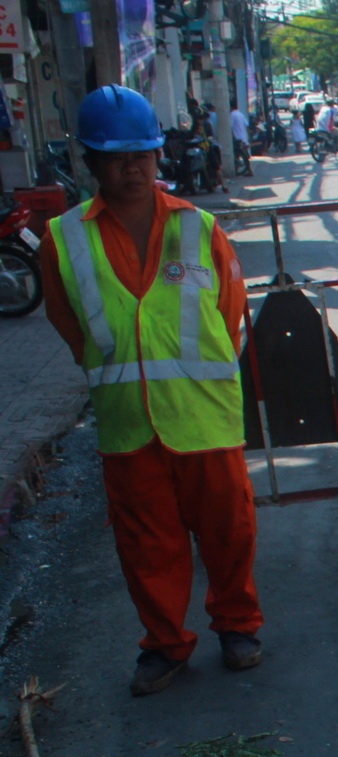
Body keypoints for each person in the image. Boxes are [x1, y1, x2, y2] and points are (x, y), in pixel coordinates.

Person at [36, 87, 262, 698]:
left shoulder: (199, 226)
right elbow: (67, 321)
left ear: (158, 156)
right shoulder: (63, 239)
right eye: (116, 158)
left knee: (229, 530)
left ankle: (238, 626)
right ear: (91, 162)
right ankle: (164, 644)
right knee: (146, 544)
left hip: (204, 415)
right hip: (127, 422)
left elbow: (230, 311)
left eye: (142, 155)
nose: (131, 169)